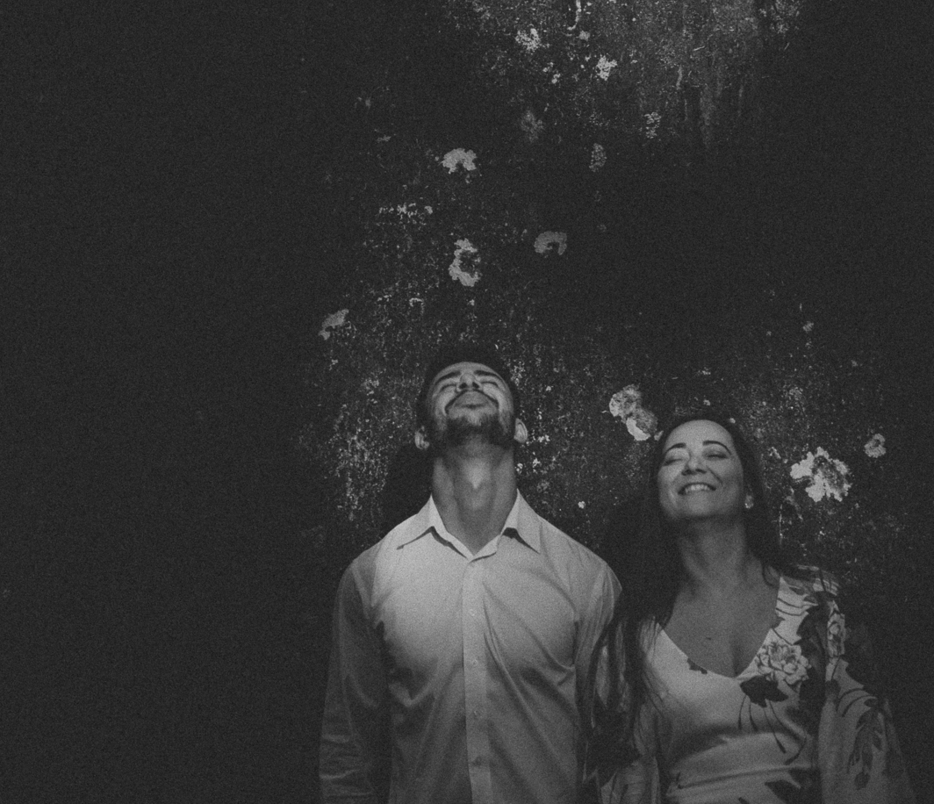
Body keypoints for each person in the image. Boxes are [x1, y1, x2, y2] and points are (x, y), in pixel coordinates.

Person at [320, 340, 619, 803]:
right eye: (449, 382)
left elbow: (616, 749)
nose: (468, 381)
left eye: (487, 379)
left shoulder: (586, 577)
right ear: (422, 435)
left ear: (520, 429)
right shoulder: (370, 577)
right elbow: (348, 756)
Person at [584, 411, 915, 802]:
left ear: (749, 493)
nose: (693, 465)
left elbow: (867, 761)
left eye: (715, 454)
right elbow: (626, 784)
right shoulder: (631, 638)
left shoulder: (821, 603)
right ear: (658, 498)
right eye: (674, 458)